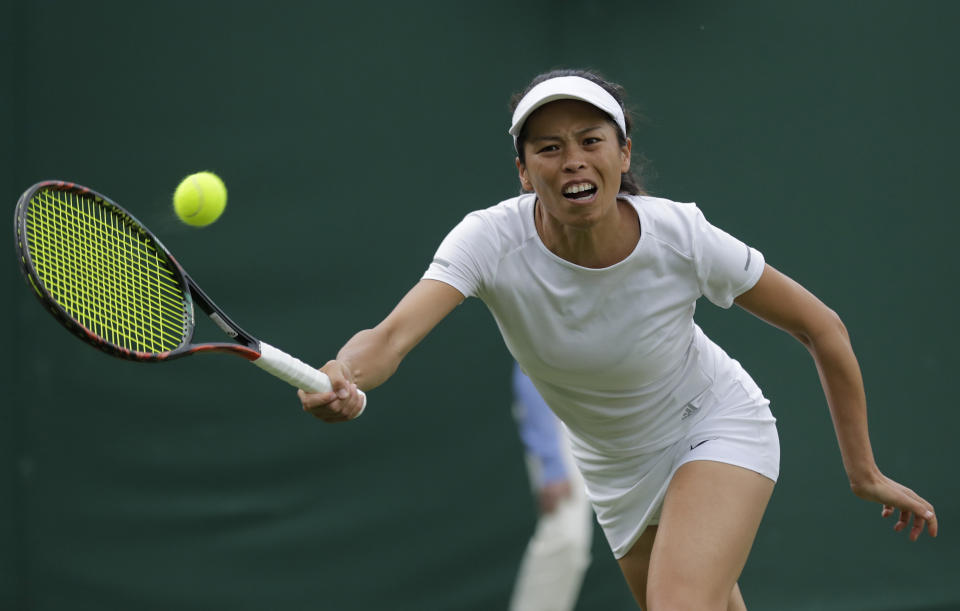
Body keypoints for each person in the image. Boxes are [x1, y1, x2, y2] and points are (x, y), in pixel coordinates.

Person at [298, 69, 938, 609]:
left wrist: (864, 471)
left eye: (590, 140)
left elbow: (820, 326)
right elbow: (389, 338)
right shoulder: (487, 240)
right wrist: (344, 372)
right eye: (548, 148)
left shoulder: (680, 236)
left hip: (712, 424)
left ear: (623, 154)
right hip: (614, 470)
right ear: (523, 173)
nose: (573, 158)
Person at [508, 361, 593, 611]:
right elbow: (530, 368)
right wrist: (551, 463)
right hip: (561, 419)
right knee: (566, 538)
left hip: (606, 412)